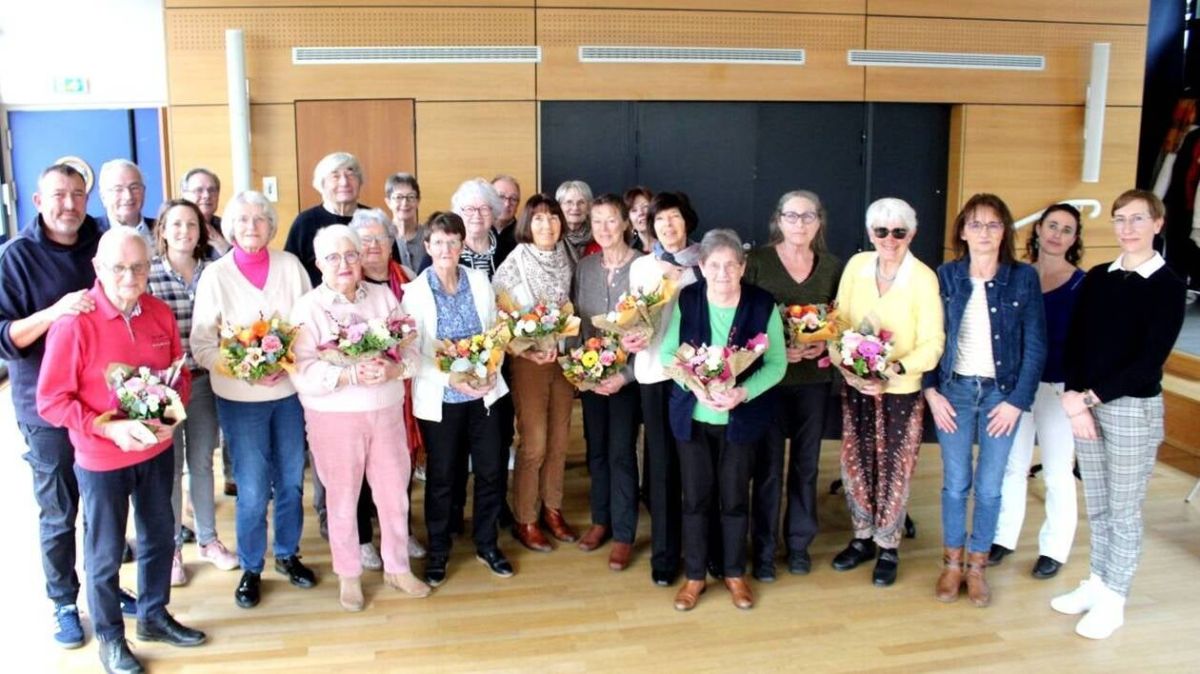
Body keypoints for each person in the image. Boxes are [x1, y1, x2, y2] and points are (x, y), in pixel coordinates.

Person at [38, 226, 206, 674]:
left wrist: (170, 415)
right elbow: (51, 401)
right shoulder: (75, 323)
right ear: (97, 267)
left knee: (159, 538)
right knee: (106, 553)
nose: (130, 277)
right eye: (119, 268)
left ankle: (152, 616)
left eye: (139, 267)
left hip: (156, 452)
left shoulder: (159, 312)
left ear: (150, 267)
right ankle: (111, 639)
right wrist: (108, 428)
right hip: (101, 459)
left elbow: (179, 377)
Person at [1052, 189, 1186, 639]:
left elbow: (1148, 363)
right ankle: (1097, 581)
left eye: (1137, 219)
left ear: (1157, 224)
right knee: (1098, 504)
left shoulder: (1169, 285)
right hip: (1084, 407)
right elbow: (1076, 342)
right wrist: (1074, 399)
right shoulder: (1098, 277)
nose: (1127, 228)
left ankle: (1115, 598)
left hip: (1130, 410)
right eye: (1120, 219)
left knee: (1123, 510)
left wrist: (1088, 399)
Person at [291, 225, 431, 610]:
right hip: (334, 418)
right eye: (334, 257)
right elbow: (301, 370)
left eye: (351, 255)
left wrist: (395, 369)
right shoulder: (307, 308)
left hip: (386, 413)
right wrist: (348, 375)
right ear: (319, 264)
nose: (344, 264)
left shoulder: (383, 296)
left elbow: (412, 348)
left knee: (394, 494)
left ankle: (397, 568)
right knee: (343, 499)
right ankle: (349, 575)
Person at [191, 190, 317, 609]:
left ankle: (287, 553)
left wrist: (289, 366)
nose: (251, 226)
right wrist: (245, 369)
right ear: (229, 228)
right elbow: (202, 345)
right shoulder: (215, 276)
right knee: (252, 486)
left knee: (291, 479)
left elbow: (308, 328)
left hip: (289, 393)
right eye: (242, 220)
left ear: (271, 226)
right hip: (240, 399)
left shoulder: (291, 266)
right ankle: (251, 566)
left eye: (259, 219)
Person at [0, 163, 106, 648]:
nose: (69, 204)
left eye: (78, 194)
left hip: (101, 403)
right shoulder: (15, 257)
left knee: (102, 506)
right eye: (59, 195)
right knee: (60, 510)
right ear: (38, 201)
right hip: (44, 409)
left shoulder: (101, 242)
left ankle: (105, 589)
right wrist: (55, 312)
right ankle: (64, 602)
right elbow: (5, 338)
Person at [924, 193, 1046, 607]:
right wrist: (931, 392)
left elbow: (1035, 346)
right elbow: (931, 337)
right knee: (956, 483)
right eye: (975, 224)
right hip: (954, 391)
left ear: (1005, 231)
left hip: (1001, 395)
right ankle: (951, 564)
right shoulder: (946, 275)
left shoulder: (1023, 278)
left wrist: (1017, 401)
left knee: (991, 486)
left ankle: (977, 567)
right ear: (962, 231)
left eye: (993, 224)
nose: (984, 233)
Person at [661, 229, 787, 611]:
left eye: (730, 266)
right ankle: (695, 576)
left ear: (742, 267)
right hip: (693, 418)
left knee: (734, 499)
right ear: (701, 267)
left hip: (741, 420)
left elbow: (777, 364)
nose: (722, 273)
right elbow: (669, 355)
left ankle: (734, 573)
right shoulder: (689, 299)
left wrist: (741, 392)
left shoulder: (762, 304)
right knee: (696, 500)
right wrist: (695, 387)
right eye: (714, 265)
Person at [831, 197, 944, 587]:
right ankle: (862, 537)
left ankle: (888, 546)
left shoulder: (924, 278)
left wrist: (894, 369)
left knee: (895, 468)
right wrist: (848, 367)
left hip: (900, 389)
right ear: (870, 233)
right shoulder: (856, 266)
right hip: (857, 385)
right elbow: (838, 322)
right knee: (856, 462)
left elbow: (933, 343)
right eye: (881, 231)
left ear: (912, 234)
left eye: (899, 232)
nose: (890, 239)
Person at [401, 212, 514, 586]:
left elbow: (496, 333)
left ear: (463, 244)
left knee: (491, 471)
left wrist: (491, 367)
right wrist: (451, 378)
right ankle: (438, 551)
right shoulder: (415, 293)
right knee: (443, 477)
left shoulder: (480, 281)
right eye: (439, 242)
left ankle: (487, 544)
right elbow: (413, 356)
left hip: (485, 396)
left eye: (453, 241)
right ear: (428, 246)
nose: (446, 249)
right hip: (442, 400)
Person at [743, 189, 844, 580]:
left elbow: (841, 322)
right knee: (767, 467)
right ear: (778, 220)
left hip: (813, 381)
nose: (799, 223)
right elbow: (742, 316)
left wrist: (823, 344)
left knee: (806, 464)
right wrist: (776, 348)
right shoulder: (757, 261)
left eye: (807, 216)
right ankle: (764, 549)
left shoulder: (832, 267)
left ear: (819, 221)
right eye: (791, 216)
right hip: (768, 380)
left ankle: (799, 544)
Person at [147, 199, 239, 588]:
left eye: (192, 224)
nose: (184, 231)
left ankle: (208, 540)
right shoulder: (149, 272)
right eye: (176, 224)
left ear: (202, 231)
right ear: (163, 231)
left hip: (202, 381)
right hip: (163, 387)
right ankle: (171, 549)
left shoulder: (214, 271)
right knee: (169, 469)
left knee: (201, 462)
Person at [992, 204, 1086, 579]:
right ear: (1039, 230)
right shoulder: (1017, 275)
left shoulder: (1082, 284)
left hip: (1058, 387)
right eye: (1052, 226)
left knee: (1057, 470)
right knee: (1012, 465)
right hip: (1017, 387)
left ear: (1074, 239)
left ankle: (1054, 549)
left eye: (1066, 229)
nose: (1057, 234)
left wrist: (1079, 395)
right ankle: (1003, 537)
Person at [624, 190, 702, 587]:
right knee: (661, 465)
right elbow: (633, 317)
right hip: (656, 373)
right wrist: (629, 336)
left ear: (687, 221)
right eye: (659, 220)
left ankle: (700, 552)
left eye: (674, 217)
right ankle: (665, 555)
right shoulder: (642, 266)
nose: (667, 226)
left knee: (697, 465)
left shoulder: (706, 262)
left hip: (697, 377)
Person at [493, 194, 579, 552]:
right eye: (539, 218)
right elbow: (499, 316)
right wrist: (526, 348)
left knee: (560, 440)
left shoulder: (569, 256)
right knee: (535, 443)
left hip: (564, 359)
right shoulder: (514, 263)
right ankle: (526, 517)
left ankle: (552, 508)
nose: (548, 224)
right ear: (528, 224)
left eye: (553, 217)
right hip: (528, 362)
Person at [350, 208, 426, 560]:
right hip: (360, 391)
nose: (373, 246)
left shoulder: (407, 278)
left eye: (380, 238)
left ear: (391, 241)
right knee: (361, 467)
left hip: (402, 387)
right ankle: (363, 539)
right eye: (365, 240)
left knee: (400, 464)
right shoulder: (349, 284)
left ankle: (402, 531)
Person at [572, 194, 643, 570]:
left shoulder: (643, 267)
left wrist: (624, 375)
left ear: (626, 223)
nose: (604, 228)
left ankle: (624, 534)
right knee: (596, 451)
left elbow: (653, 331)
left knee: (621, 453)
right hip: (591, 377)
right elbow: (576, 323)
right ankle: (601, 520)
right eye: (597, 221)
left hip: (628, 380)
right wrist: (581, 371)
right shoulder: (585, 268)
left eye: (611, 220)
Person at [285, 151, 369, 286]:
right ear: (322, 184)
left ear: (360, 182)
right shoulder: (305, 222)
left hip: (369, 296)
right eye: (335, 176)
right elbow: (290, 272)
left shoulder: (373, 220)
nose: (344, 182)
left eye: (350, 174)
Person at [95, 159, 155, 251]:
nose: (128, 196)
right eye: (118, 189)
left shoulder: (162, 230)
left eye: (134, 188)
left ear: (144, 191)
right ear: (103, 197)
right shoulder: (88, 234)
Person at [181, 167, 230, 256]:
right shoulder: (174, 229)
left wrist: (223, 245)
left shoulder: (228, 228)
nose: (207, 195)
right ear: (184, 194)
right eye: (199, 190)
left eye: (212, 190)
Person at [384, 172, 427, 271]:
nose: (405, 203)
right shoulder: (382, 237)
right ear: (388, 202)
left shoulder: (429, 236)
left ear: (418, 201)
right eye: (399, 197)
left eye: (411, 197)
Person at [556, 179, 601, 261]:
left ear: (589, 207)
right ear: (559, 207)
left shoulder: (601, 236)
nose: (575, 207)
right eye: (569, 202)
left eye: (581, 202)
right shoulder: (552, 237)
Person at [492, 174, 521, 265]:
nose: (507, 204)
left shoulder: (524, 236)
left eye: (513, 199)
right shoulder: (478, 232)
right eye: (501, 197)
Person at [624, 186, 654, 253]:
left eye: (645, 206)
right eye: (634, 210)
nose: (640, 213)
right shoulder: (630, 252)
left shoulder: (671, 242)